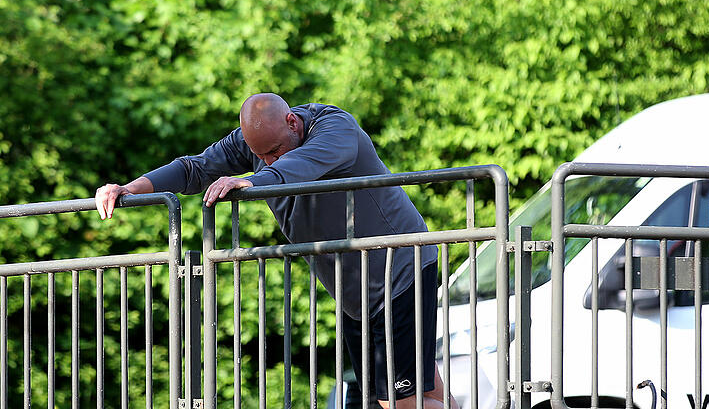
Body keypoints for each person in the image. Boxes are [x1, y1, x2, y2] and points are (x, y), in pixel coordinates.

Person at [95, 93, 459, 409]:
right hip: (357, 289)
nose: (266, 160)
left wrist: (249, 181)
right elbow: (195, 168)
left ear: (292, 122)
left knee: (397, 399)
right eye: (259, 155)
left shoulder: (335, 130)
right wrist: (130, 188)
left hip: (396, 270)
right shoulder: (257, 141)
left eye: (273, 151)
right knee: (424, 391)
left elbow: (294, 170)